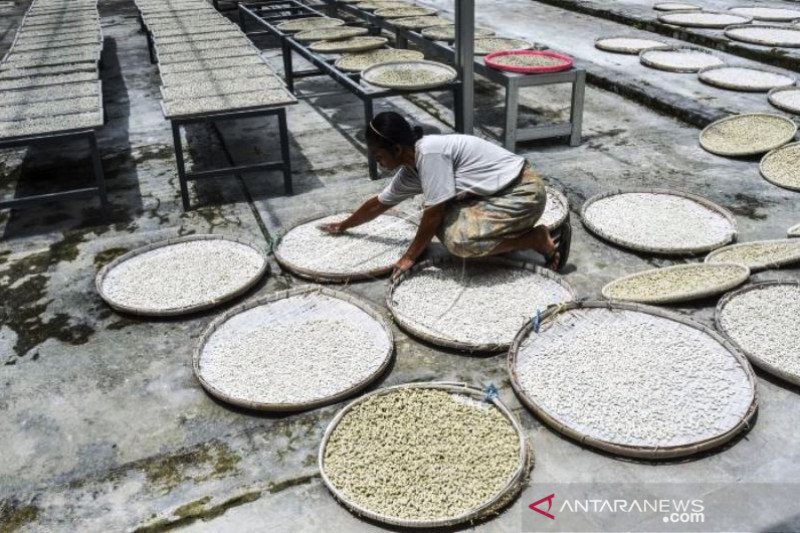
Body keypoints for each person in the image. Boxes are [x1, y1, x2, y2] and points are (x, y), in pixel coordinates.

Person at [319, 111, 571, 277]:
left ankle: (534, 240)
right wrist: (344, 225)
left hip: (521, 193)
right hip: (493, 195)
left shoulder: (430, 153)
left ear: (396, 148)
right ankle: (505, 238)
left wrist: (408, 257)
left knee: (460, 243)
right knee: (438, 218)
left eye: (378, 154)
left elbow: (433, 214)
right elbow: (378, 204)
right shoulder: (410, 167)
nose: (376, 160)